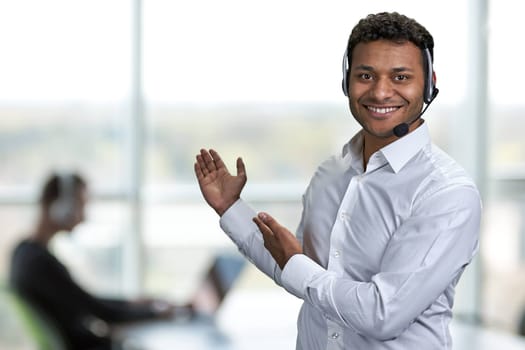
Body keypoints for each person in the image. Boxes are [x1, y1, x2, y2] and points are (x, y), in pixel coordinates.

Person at [194, 12, 482, 350]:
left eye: (401, 76)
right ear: (347, 81)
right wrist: (231, 209)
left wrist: (298, 266)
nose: (380, 91)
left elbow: (382, 314)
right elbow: (296, 267)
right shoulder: (331, 175)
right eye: (365, 75)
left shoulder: (446, 194)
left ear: (429, 83)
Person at [9, 172, 178, 350]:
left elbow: (85, 300)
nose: (83, 216)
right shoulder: (39, 263)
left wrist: (134, 303)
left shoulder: (23, 252)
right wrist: (155, 312)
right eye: (80, 205)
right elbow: (99, 310)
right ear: (61, 207)